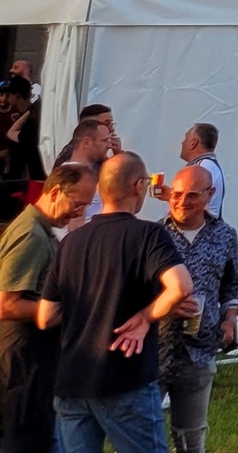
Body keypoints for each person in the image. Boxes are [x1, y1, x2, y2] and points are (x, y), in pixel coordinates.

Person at [36, 153, 194, 453]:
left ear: (100, 190)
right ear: (137, 186)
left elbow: (46, 316)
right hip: (124, 377)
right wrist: (146, 316)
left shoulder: (70, 242)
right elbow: (181, 286)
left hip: (72, 380)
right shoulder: (148, 234)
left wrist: (88, 310)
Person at [0, 162, 94, 453]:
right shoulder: (30, 235)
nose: (78, 213)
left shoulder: (41, 230)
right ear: (54, 193)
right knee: (22, 440)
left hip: (35, 361)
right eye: (77, 204)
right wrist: (58, 311)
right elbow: (6, 305)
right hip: (21, 363)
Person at [157, 162, 238, 453]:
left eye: (192, 195)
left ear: (210, 194)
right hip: (155, 350)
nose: (182, 202)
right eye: (176, 194)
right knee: (141, 435)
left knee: (191, 439)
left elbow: (233, 281)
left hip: (199, 351)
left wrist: (229, 318)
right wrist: (165, 305)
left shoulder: (225, 235)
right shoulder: (154, 235)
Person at [0, 79, 41, 228]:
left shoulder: (30, 126)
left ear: (17, 96)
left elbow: (11, 133)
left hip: (32, 181)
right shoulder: (33, 118)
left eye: (8, 95)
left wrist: (29, 111)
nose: (5, 98)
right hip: (29, 180)